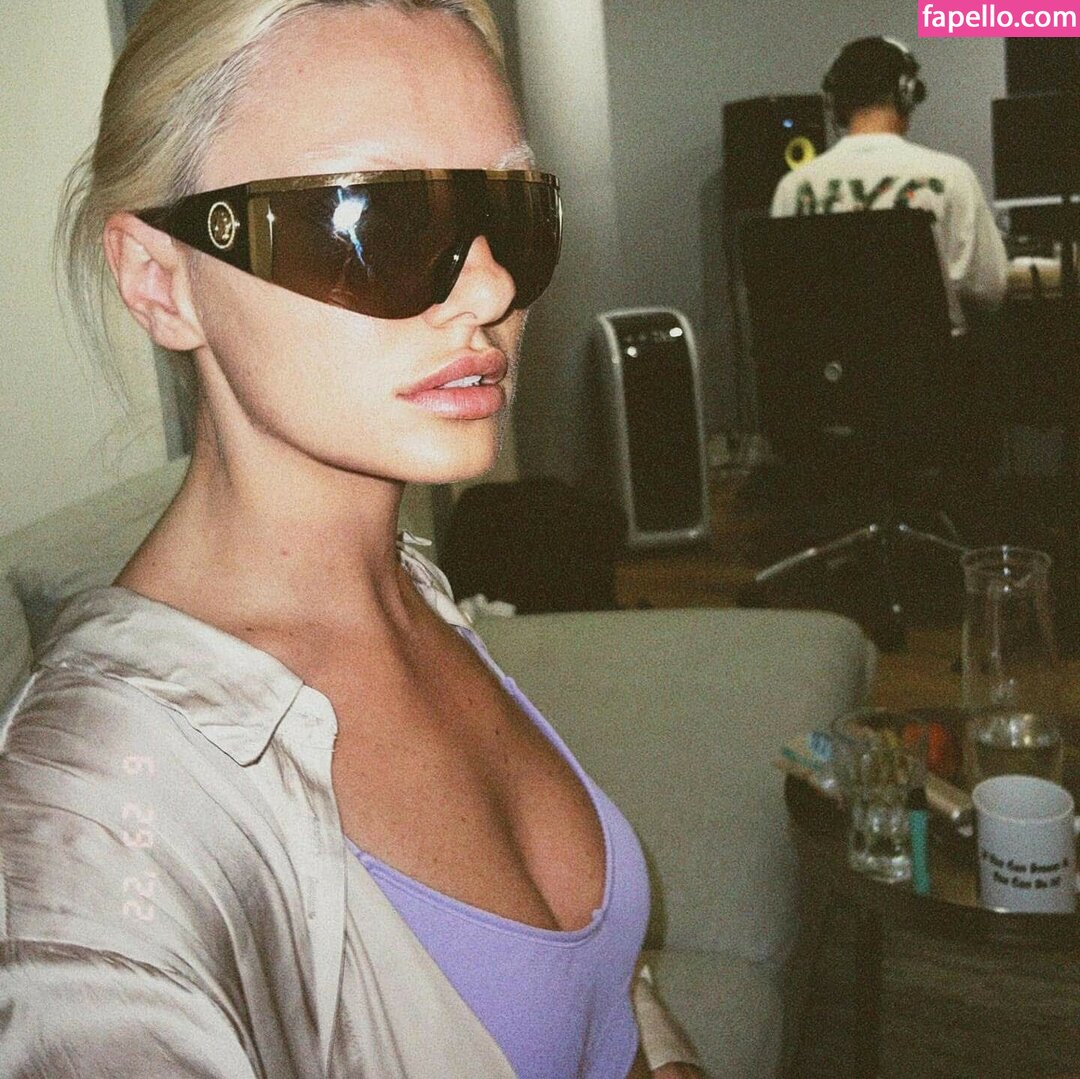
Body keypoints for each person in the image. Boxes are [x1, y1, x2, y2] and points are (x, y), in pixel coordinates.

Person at [0, 2, 702, 1076]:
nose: (491, 287)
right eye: (373, 217)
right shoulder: (87, 830)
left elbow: (601, 992)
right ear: (161, 279)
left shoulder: (410, 587)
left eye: (512, 213)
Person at [770, 36, 1008, 333]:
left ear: (834, 103)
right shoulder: (950, 176)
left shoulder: (792, 188)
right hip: (928, 357)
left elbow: (781, 295)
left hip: (828, 358)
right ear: (907, 92)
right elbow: (989, 289)